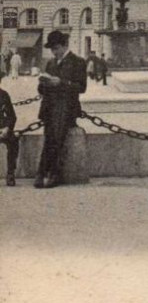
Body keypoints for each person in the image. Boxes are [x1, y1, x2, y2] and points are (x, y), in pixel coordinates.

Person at [34, 29, 88, 189]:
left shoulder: (78, 62)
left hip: (67, 108)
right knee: (48, 139)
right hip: (50, 108)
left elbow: (81, 87)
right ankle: (41, 173)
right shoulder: (50, 63)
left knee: (57, 139)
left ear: (65, 46)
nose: (54, 52)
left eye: (56, 48)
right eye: (52, 49)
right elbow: (41, 90)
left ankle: (53, 174)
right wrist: (43, 84)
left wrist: (61, 83)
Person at [0, 73, 19, 186]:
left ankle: (10, 173)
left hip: (2, 128)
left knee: (13, 141)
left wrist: (7, 128)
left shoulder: (3, 95)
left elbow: (12, 116)